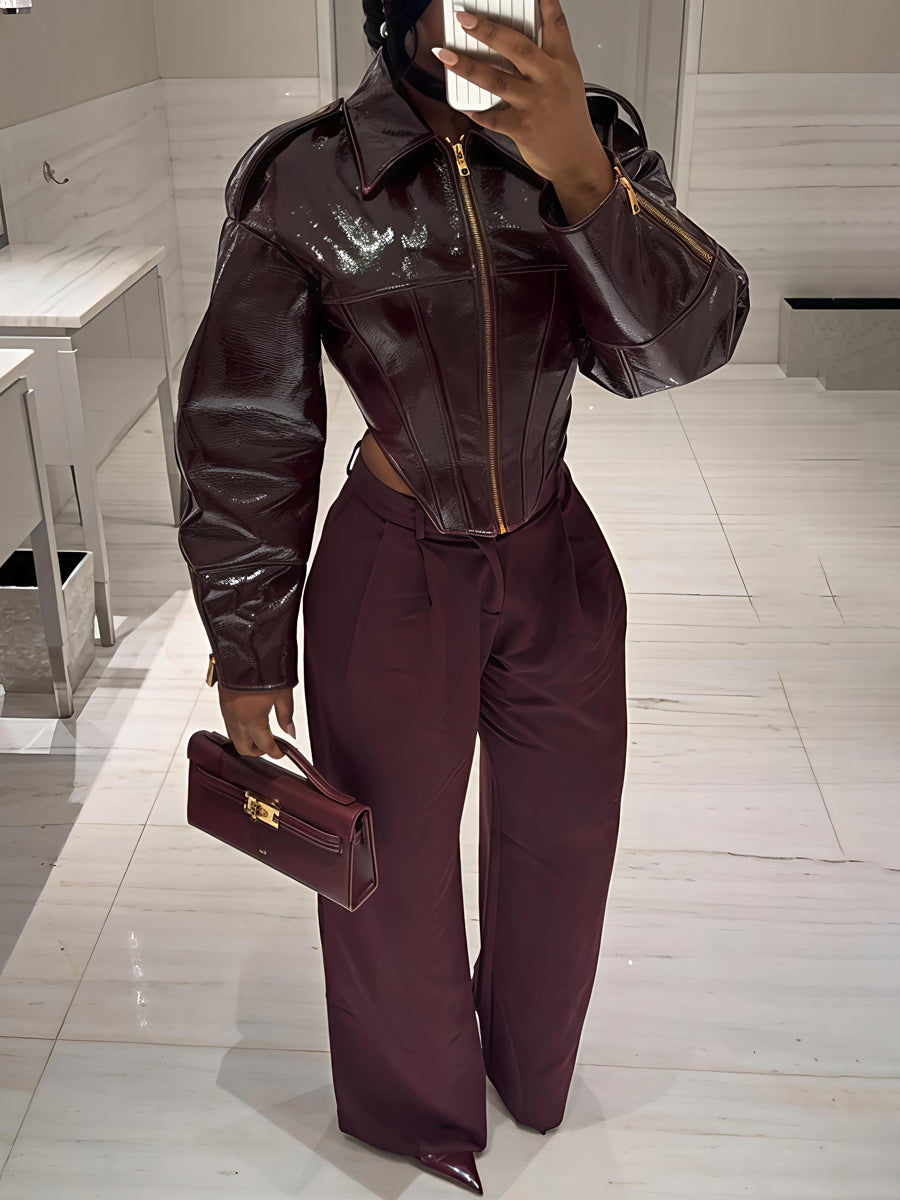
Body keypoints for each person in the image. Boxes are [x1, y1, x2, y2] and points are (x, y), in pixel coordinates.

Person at [174, 0, 749, 1191]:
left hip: (556, 558)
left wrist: (584, 175)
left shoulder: (594, 141)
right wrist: (248, 646)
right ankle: (415, 1111)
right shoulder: (307, 179)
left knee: (565, 841)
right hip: (392, 570)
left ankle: (533, 1071)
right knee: (390, 868)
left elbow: (678, 351)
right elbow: (245, 428)